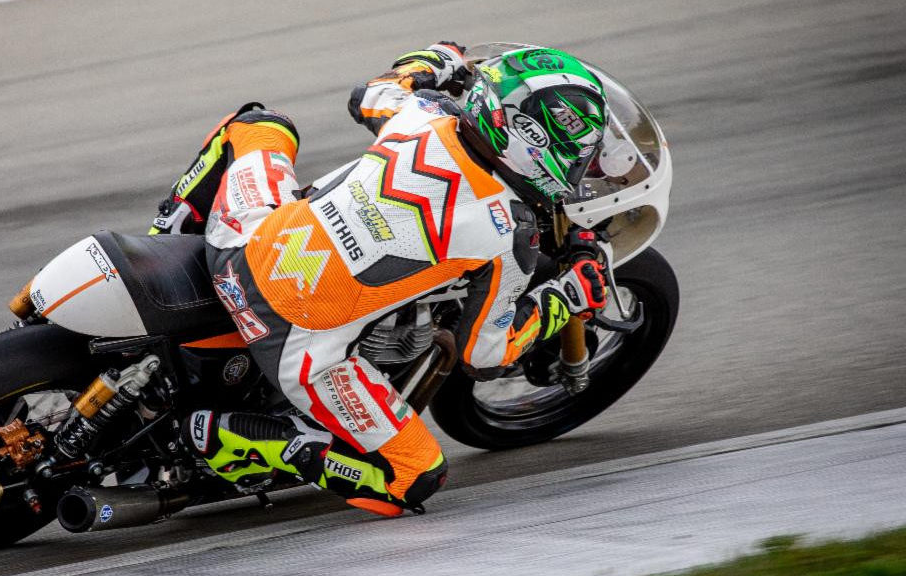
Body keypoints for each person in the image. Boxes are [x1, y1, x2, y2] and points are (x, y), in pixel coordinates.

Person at [149, 43, 610, 516]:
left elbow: (368, 93)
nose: (583, 168)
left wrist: (435, 60)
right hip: (298, 347)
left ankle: (163, 243)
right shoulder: (511, 234)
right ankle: (236, 437)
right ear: (538, 145)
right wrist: (568, 293)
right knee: (415, 476)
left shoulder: (423, 111)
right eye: (580, 156)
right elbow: (485, 353)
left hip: (241, 236)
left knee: (258, 125)